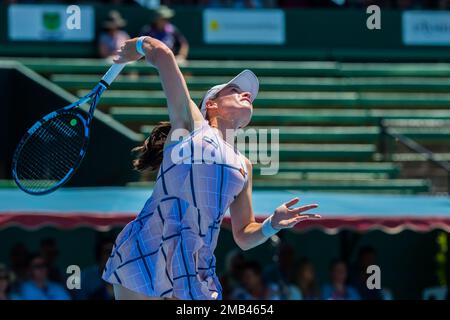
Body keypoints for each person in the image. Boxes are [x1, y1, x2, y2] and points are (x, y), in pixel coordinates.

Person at [102, 35, 321, 300]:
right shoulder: (191, 125)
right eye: (234, 90)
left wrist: (271, 225)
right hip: (149, 246)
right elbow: (161, 53)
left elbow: (243, 234)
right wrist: (136, 45)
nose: (246, 93)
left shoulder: (244, 166)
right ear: (211, 104)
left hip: (196, 266)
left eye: (247, 93)